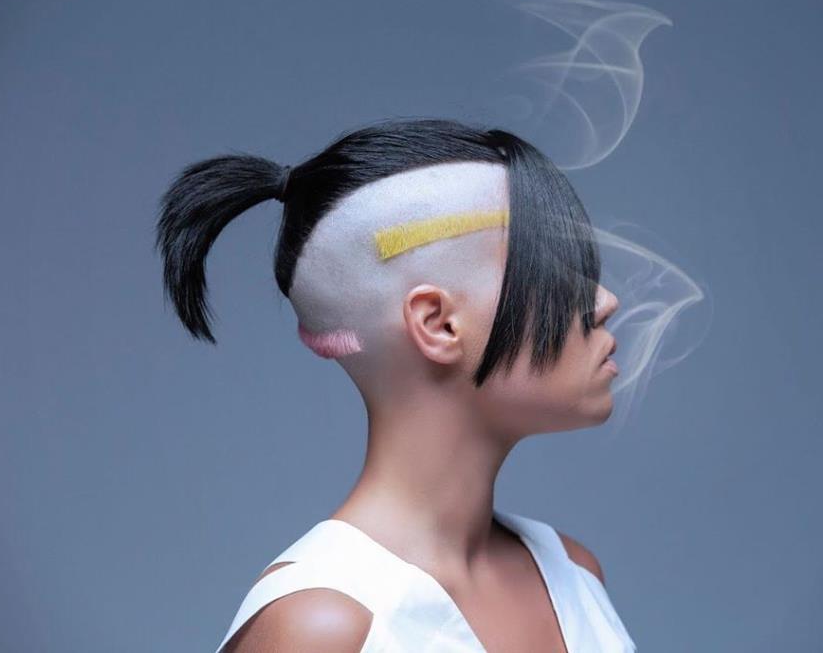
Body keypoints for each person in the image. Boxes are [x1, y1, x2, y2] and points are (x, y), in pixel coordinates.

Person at [155, 118, 636, 652]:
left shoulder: (574, 575)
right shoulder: (321, 628)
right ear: (437, 323)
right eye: (550, 271)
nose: (603, 301)